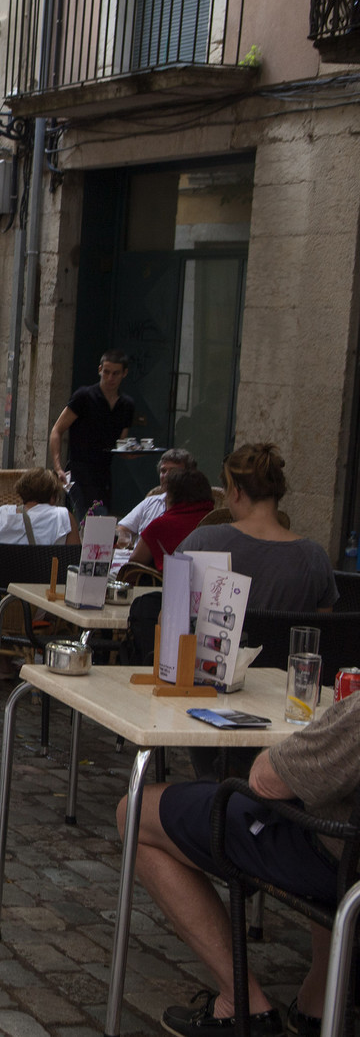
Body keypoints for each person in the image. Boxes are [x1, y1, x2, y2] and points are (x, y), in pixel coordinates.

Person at [115, 694, 360, 1037]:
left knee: (135, 812)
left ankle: (240, 1004)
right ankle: (318, 1005)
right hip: (343, 859)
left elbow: (266, 780)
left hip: (335, 861)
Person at [177, 443, 338, 612]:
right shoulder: (315, 557)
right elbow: (323, 630)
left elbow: (169, 620)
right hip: (285, 639)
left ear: (236, 492)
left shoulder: (201, 542)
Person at [49, 349, 135, 517]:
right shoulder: (84, 396)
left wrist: (132, 453)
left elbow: (120, 444)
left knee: (101, 522)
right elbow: (57, 430)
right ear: (100, 370)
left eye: (116, 373)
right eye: (107, 372)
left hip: (103, 475)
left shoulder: (126, 405)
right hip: (79, 472)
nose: (110, 378)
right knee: (84, 519)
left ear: (124, 374)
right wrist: (58, 467)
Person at [0, 467, 78, 560]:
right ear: (53, 496)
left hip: (1, 579)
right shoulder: (62, 516)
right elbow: (75, 563)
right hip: (45, 578)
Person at [130, 468, 215, 572]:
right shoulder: (217, 520)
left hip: (167, 585)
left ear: (171, 495)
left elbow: (133, 565)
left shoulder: (161, 525)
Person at [117, 448, 197, 548]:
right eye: (163, 471)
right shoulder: (150, 502)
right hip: (135, 560)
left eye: (173, 471)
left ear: (189, 475)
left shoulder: (195, 507)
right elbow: (123, 528)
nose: (166, 476)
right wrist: (124, 538)